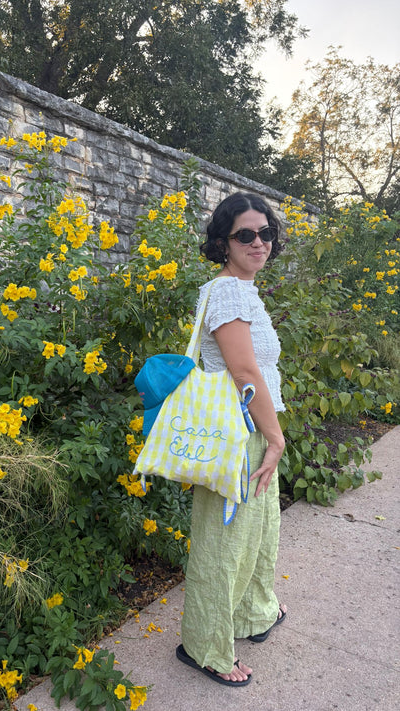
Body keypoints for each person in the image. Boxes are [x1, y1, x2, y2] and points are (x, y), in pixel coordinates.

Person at [176, 191, 287, 687]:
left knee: (256, 534)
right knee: (223, 546)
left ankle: (251, 614)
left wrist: (271, 435)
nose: (258, 242)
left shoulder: (244, 289)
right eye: (246, 234)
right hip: (237, 437)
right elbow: (244, 373)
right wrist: (275, 439)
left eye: (266, 232)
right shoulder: (226, 293)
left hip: (256, 432)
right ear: (223, 241)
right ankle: (204, 646)